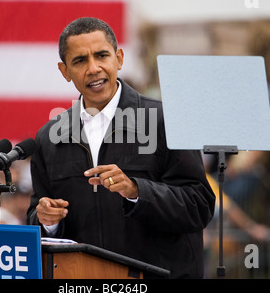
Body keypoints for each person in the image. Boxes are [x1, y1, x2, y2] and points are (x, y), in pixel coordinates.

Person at [27, 17, 215, 278]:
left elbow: (199, 206)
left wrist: (136, 191)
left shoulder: (166, 120)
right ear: (64, 71)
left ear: (119, 59)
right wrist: (47, 222)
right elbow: (37, 218)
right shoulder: (48, 138)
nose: (93, 68)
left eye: (101, 55)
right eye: (80, 60)